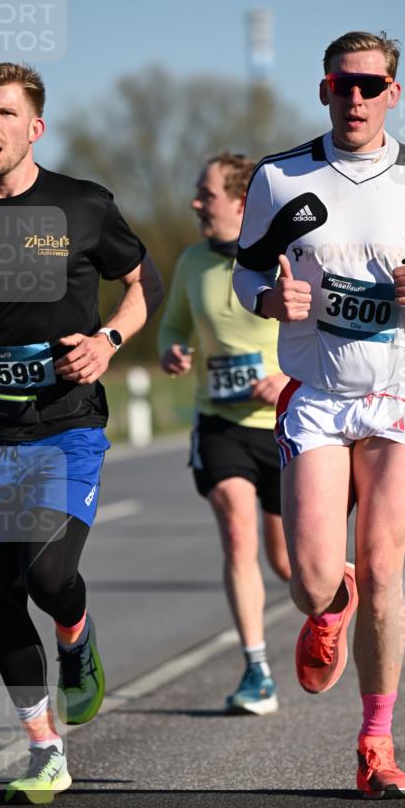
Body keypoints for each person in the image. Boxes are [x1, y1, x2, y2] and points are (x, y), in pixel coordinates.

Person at [233, 31, 405, 797]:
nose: (356, 98)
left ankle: (375, 744)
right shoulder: (278, 178)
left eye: (371, 86)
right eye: (343, 84)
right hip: (316, 397)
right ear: (323, 89)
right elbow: (243, 279)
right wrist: (271, 300)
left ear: (392, 94)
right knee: (309, 579)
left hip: (399, 392)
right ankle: (327, 601)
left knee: (384, 567)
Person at [0, 63, 163, 802]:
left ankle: (76, 638)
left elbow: (143, 281)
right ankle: (43, 748)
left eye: (5, 113)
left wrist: (110, 342)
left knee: (48, 576)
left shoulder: (82, 207)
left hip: (64, 424)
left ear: (34, 127)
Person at [158, 152, 290, 715]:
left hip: (288, 427)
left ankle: (345, 597)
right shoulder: (191, 262)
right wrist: (172, 349)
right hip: (220, 424)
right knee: (238, 531)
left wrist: (286, 378)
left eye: (205, 194)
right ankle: (257, 670)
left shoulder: (285, 257)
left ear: (241, 203)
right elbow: (173, 324)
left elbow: (327, 336)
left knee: (292, 566)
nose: (195, 203)